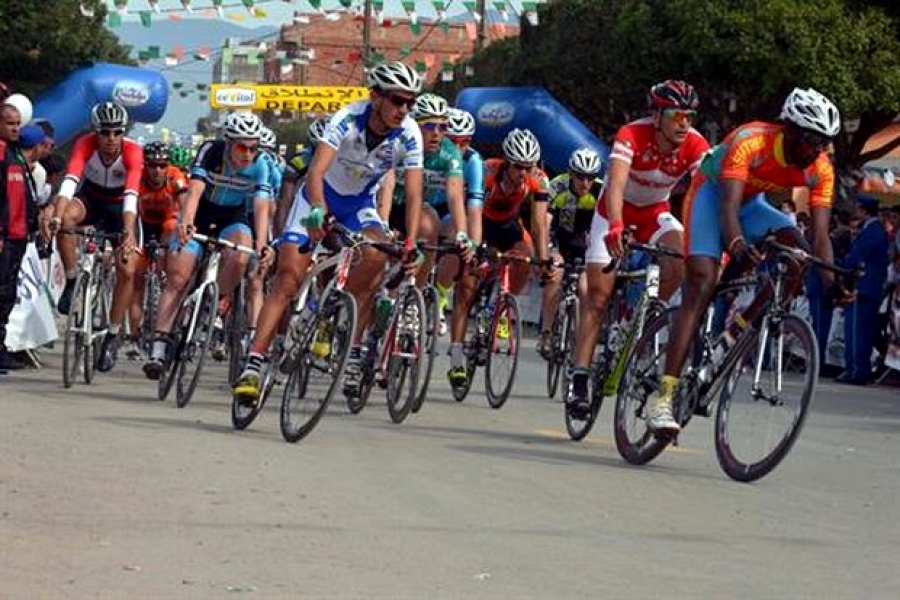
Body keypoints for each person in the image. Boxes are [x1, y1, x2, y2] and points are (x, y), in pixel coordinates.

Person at [648, 87, 844, 433]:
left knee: (798, 253)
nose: (818, 150)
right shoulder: (751, 140)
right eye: (813, 140)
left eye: (824, 142)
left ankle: (735, 332)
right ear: (791, 131)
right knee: (703, 282)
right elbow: (727, 207)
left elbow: (820, 235)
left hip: (752, 205)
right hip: (712, 194)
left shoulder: (821, 168)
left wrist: (832, 283)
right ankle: (663, 398)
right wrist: (736, 243)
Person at [231, 61, 426, 404]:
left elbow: (413, 194)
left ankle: (328, 310)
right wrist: (318, 212)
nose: (404, 109)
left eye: (410, 102)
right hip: (317, 197)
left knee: (378, 257)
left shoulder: (410, 133)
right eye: (397, 100)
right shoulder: (346, 119)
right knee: (289, 278)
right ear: (376, 96)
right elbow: (316, 171)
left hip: (358, 204)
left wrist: (410, 242)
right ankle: (254, 363)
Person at [565, 81, 710, 417]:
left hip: (655, 213)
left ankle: (646, 320)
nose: (684, 123)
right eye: (677, 116)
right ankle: (580, 378)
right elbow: (614, 185)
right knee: (598, 299)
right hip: (614, 212)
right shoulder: (631, 135)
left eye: (689, 116)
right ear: (656, 115)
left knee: (681, 254)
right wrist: (615, 226)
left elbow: (702, 195)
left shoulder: (695, 144)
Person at [143, 111, 273, 379]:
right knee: (178, 278)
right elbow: (194, 192)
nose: (247, 154)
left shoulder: (261, 164)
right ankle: (158, 345)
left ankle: (215, 301)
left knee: (240, 255)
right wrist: (186, 222)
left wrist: (263, 245)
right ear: (228, 143)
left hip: (231, 217)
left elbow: (261, 208)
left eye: (253, 147)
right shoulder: (211, 151)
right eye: (241, 147)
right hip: (201, 213)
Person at [447, 128, 552, 389]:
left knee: (524, 256)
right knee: (467, 287)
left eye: (528, 167)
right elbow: (472, 208)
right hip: (481, 223)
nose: (523, 174)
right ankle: (457, 357)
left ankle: (503, 307)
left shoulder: (539, 179)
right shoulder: (487, 172)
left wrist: (544, 258)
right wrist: (475, 246)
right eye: (518, 167)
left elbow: (538, 224)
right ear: (507, 162)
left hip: (508, 227)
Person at [51, 101, 144, 373]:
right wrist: (56, 217)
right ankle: (71, 281)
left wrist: (127, 233)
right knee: (67, 218)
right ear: (96, 132)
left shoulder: (132, 151)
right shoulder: (85, 144)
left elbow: (131, 197)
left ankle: (113, 335)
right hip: (91, 198)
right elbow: (69, 183)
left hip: (120, 207)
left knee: (127, 269)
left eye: (117, 132)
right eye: (105, 132)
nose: (111, 139)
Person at [378, 93, 472, 298]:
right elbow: (388, 183)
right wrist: (383, 223)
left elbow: (455, 196)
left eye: (443, 127)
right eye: (429, 126)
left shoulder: (449, 153)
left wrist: (462, 234)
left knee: (431, 223)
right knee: (376, 249)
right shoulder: (400, 140)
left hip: (411, 206)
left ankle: (414, 295)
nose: (437, 133)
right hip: (381, 201)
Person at [537, 147, 603, 358]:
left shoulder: (600, 191)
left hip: (585, 245)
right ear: (571, 173)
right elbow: (544, 223)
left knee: (585, 288)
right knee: (554, 275)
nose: (585, 183)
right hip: (560, 240)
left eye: (590, 177)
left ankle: (582, 336)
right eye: (580, 176)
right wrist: (546, 253)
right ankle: (546, 332)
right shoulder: (557, 186)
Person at [126, 141, 187, 359]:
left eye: (162, 165)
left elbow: (184, 203)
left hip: (167, 226)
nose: (157, 170)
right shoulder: (138, 177)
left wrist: (186, 224)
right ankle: (133, 337)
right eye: (152, 165)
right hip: (143, 225)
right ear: (146, 165)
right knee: (136, 280)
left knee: (172, 227)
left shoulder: (174, 176)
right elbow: (128, 208)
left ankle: (170, 328)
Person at [0, 99, 39, 374]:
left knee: (7, 294)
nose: (15, 129)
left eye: (17, 124)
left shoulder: (15, 154)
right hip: (4, 235)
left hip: (19, 236)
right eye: (9, 124)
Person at [838, 194, 889, 385]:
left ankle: (858, 371)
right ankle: (854, 369)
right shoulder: (871, 229)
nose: (855, 211)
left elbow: (857, 255)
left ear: (864, 210)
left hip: (865, 285)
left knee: (859, 331)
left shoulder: (873, 231)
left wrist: (845, 264)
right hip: (866, 285)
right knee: (856, 329)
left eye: (858, 208)